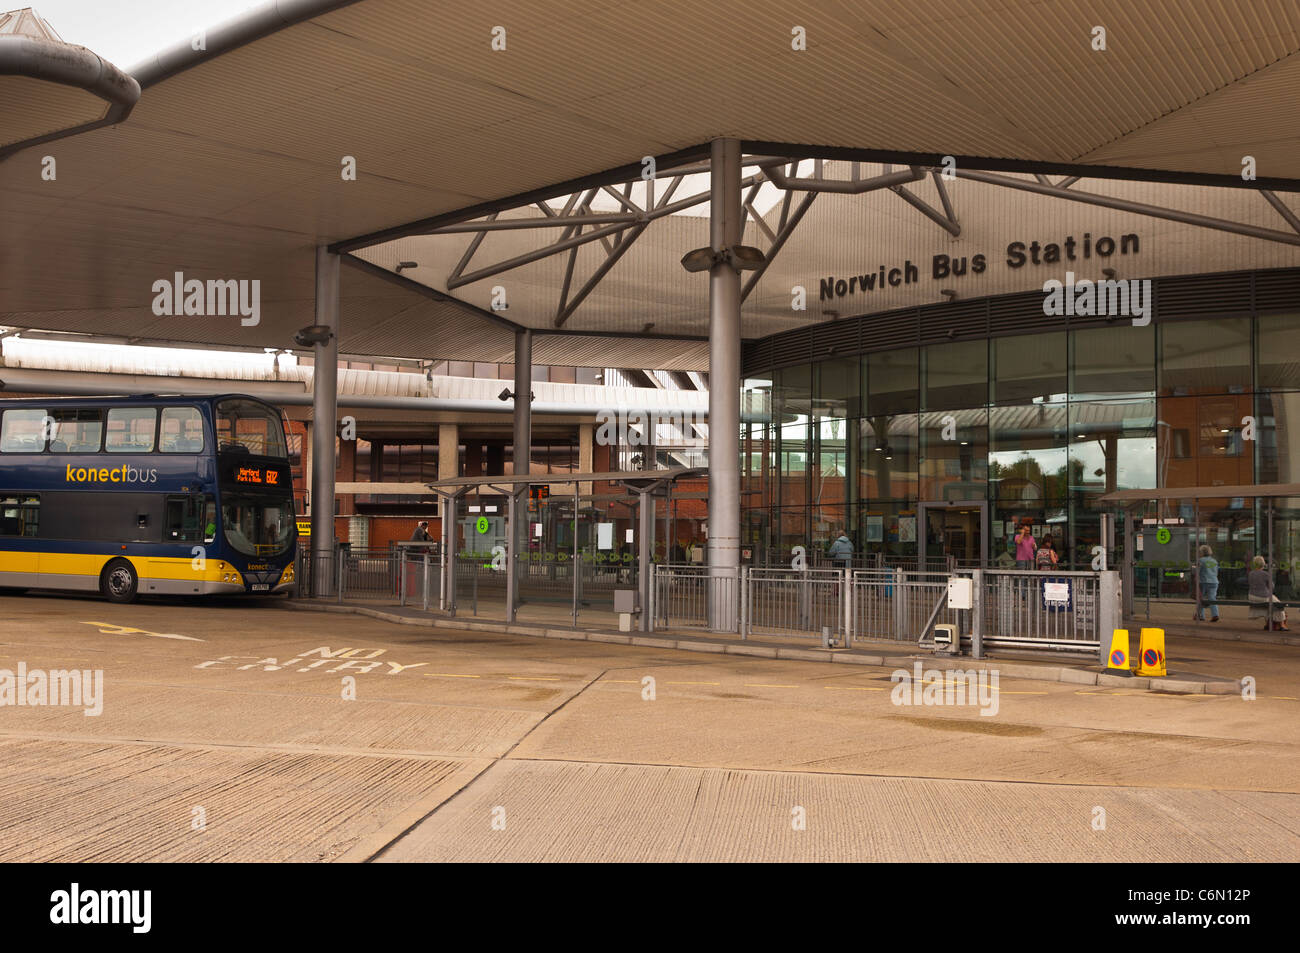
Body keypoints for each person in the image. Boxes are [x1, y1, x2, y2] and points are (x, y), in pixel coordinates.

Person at [1248, 555, 1289, 631]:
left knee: (1270, 605)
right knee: (1278, 604)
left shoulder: (1250, 573)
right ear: (1263, 564)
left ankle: (1268, 624)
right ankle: (1282, 625)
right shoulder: (1265, 574)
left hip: (1251, 596)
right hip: (1262, 597)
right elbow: (1272, 586)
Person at [1194, 544, 1220, 622]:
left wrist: (1195, 579)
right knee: (1212, 598)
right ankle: (1215, 614)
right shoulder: (1214, 561)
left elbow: (1198, 571)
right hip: (1214, 582)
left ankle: (1200, 615)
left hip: (1203, 581)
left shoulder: (1200, 561)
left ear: (1201, 552)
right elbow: (1216, 572)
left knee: (1200, 598)